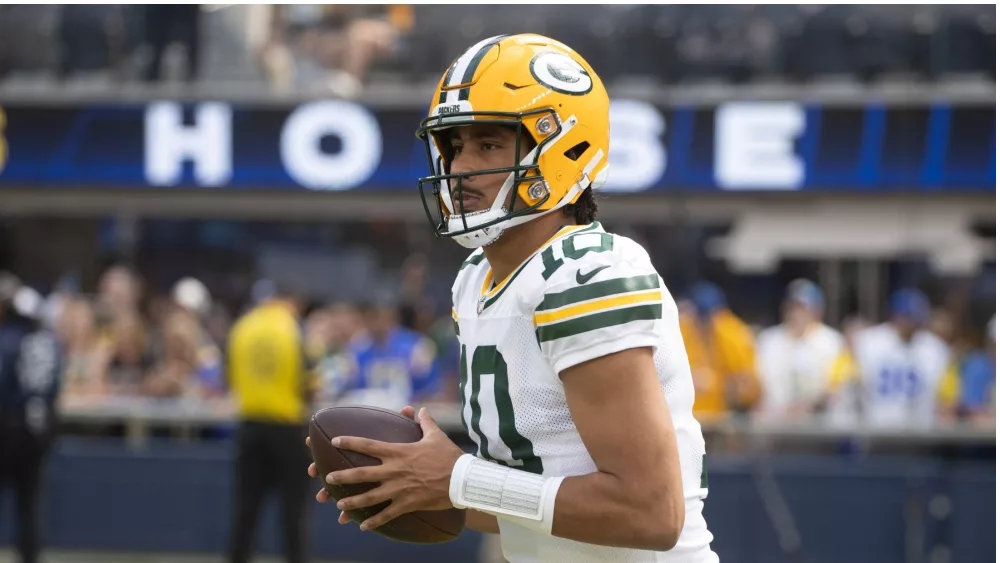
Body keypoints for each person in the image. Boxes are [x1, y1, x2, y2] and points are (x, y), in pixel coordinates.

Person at [307, 34, 716, 562]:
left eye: (489, 145)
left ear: (562, 148)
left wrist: (458, 479)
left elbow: (651, 513)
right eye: (453, 146)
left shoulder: (586, 272)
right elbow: (539, 497)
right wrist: (414, 483)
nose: (458, 169)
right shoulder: (477, 278)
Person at [227, 283, 316, 563]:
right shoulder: (294, 329)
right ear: (291, 300)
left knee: (246, 510)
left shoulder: (242, 327)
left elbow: (230, 377)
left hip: (250, 426)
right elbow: (308, 382)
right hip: (287, 428)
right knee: (294, 513)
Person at [0, 274, 63, 563]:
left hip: (9, 426)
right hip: (41, 428)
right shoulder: (51, 343)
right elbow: (56, 386)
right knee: (30, 502)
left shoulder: (8, 340)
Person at [849, 288, 951, 428]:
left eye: (914, 318)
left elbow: (947, 395)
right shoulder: (868, 341)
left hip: (921, 435)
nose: (908, 323)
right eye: (905, 316)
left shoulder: (935, 348)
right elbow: (850, 383)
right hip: (876, 430)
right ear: (894, 315)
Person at [756, 279, 844, 420]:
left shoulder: (832, 341)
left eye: (803, 308)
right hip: (776, 423)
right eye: (792, 307)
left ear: (817, 311)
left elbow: (836, 386)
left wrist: (810, 404)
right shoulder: (768, 340)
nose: (796, 313)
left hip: (818, 424)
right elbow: (758, 385)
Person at [678, 282, 760, 420]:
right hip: (687, 417)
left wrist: (717, 384)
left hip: (724, 419)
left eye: (708, 315)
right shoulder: (682, 329)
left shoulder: (732, 332)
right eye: (700, 315)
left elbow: (749, 389)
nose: (704, 322)